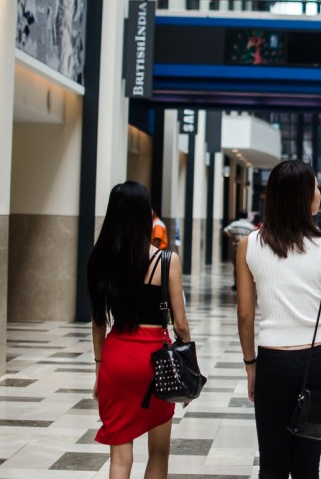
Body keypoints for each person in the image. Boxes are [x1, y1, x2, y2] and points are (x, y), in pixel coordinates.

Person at [236, 160, 321, 478]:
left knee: (273, 466)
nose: (319, 193)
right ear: (305, 197)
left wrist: (251, 366)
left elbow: (246, 315)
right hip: (320, 363)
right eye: (316, 186)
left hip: (272, 362)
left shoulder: (248, 246)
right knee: (307, 467)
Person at [87, 182, 193, 479]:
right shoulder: (166, 261)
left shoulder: (99, 261)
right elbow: (180, 324)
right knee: (158, 452)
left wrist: (99, 369)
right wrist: (188, 371)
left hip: (116, 358)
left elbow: (98, 321)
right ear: (145, 215)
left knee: (120, 457)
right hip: (155, 362)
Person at [223, 212, 256, 291]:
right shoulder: (250, 226)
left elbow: (225, 230)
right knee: (247, 268)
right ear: (246, 217)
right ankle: (245, 284)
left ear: (239, 216)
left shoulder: (235, 224)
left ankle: (236, 284)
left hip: (236, 249)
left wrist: (233, 237)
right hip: (247, 249)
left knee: (236, 267)